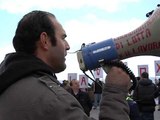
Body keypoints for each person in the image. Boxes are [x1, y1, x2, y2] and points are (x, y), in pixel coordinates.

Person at [0, 10, 131, 120]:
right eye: (63, 38)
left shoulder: (9, 80)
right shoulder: (52, 100)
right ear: (45, 40)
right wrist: (115, 91)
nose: (68, 46)